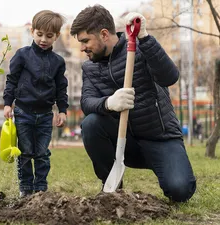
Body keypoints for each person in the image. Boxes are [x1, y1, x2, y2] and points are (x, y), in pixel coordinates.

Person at [70, 5, 196, 202]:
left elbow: (170, 77)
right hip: (125, 143)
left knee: (180, 190)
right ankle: (112, 187)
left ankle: (168, 166)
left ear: (104, 34)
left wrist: (145, 38)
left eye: (85, 41)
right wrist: (108, 103)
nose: (82, 47)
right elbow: (87, 102)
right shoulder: (90, 67)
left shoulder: (139, 50)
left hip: (160, 138)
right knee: (91, 123)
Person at [3, 10, 69, 198]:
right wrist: (8, 103)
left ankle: (40, 189)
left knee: (41, 153)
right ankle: (26, 189)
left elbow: (61, 87)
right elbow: (12, 80)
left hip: (46, 114)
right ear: (32, 31)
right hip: (23, 112)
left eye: (49, 36)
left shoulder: (58, 62)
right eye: (39, 34)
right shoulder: (22, 55)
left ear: (56, 36)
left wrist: (62, 110)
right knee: (25, 152)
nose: (43, 39)